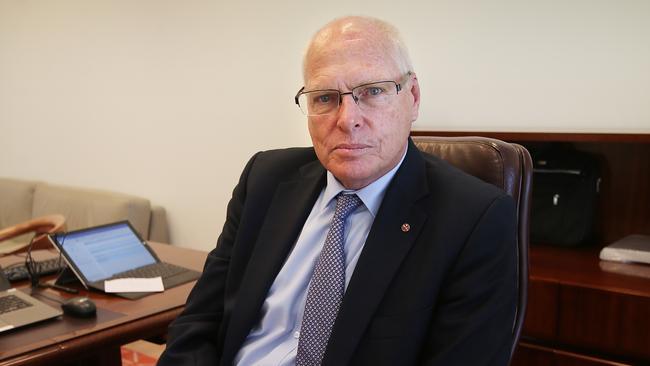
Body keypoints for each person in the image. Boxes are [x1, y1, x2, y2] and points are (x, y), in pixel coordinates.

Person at [159, 16, 517, 366]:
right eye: (325, 98)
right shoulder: (264, 179)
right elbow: (199, 322)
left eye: (373, 91)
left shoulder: (475, 220)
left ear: (413, 97)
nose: (347, 119)